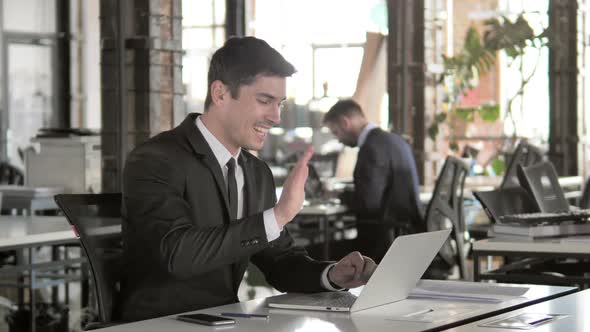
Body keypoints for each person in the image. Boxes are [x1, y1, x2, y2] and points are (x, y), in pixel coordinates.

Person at [119, 37, 376, 322]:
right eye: (265, 101)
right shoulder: (155, 158)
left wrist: (331, 274)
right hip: (158, 324)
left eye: (279, 103)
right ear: (220, 94)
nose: (276, 116)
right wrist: (278, 216)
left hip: (223, 321)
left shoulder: (255, 172)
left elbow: (278, 261)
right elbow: (176, 254)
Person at [323, 99, 424, 263]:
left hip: (382, 245)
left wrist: (338, 195)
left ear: (345, 122)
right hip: (406, 237)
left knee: (312, 253)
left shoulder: (371, 148)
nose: (338, 139)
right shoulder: (395, 140)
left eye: (336, 132)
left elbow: (368, 204)